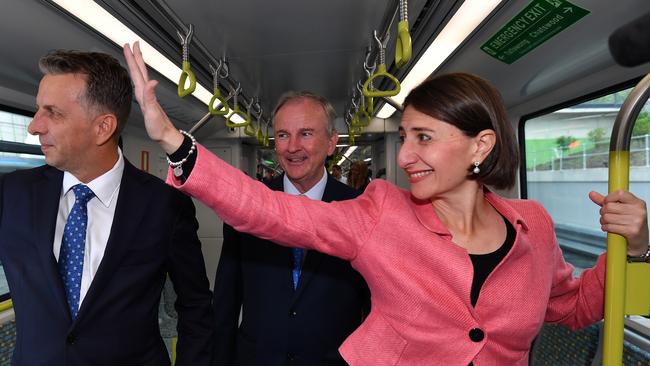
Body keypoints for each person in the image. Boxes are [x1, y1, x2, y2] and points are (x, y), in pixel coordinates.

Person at [124, 42, 650, 365]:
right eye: (406, 136)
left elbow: (573, 307)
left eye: (424, 138)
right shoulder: (382, 212)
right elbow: (271, 212)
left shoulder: (533, 224)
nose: (407, 154)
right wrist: (175, 142)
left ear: (481, 145)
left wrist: (637, 249)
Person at [0, 50, 215, 365]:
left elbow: (196, 307)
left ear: (103, 127)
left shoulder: (165, 206)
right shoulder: (11, 194)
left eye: (52, 113)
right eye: (36, 110)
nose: (34, 127)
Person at [210, 91, 370, 365]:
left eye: (306, 133)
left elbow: (376, 305)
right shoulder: (248, 205)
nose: (292, 147)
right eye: (283, 135)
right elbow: (226, 302)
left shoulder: (361, 210)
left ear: (332, 142)